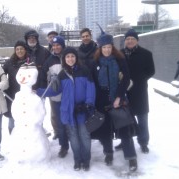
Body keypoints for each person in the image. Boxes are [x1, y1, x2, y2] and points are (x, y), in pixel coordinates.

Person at [37, 47, 95, 171]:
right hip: (68, 110)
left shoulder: (84, 70)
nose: (70, 59)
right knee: (73, 136)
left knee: (84, 135)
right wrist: (37, 91)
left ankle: (86, 159)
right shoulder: (62, 74)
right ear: (64, 59)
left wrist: (88, 104)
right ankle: (77, 160)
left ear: (76, 58)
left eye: (72, 56)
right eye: (67, 57)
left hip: (83, 109)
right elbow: (55, 90)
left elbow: (91, 88)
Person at [93, 26, 138, 171]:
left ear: (112, 47)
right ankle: (108, 153)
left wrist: (118, 96)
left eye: (109, 47)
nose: (106, 50)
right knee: (105, 131)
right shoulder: (96, 62)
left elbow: (126, 79)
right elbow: (94, 82)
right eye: (104, 47)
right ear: (100, 48)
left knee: (125, 130)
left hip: (119, 98)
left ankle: (131, 157)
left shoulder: (119, 60)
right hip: (102, 101)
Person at [116, 29, 155, 154]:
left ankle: (143, 142)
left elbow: (151, 71)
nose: (130, 41)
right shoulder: (120, 54)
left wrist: (139, 80)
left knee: (142, 119)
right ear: (125, 41)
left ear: (137, 40)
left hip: (140, 92)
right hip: (125, 92)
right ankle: (124, 141)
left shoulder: (146, 54)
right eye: (128, 39)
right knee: (124, 119)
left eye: (133, 38)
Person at [40, 36, 69, 158]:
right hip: (56, 98)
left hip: (70, 97)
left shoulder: (69, 56)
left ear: (62, 45)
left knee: (72, 122)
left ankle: (77, 143)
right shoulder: (49, 60)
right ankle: (64, 146)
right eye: (54, 45)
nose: (56, 47)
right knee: (60, 123)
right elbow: (43, 77)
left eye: (58, 45)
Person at [2, 40, 29, 134]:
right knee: (12, 118)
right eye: (17, 49)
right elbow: (1, 74)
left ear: (25, 50)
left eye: (21, 49)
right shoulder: (9, 62)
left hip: (26, 95)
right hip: (12, 94)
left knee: (26, 118)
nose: (19, 51)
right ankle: (13, 137)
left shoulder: (30, 62)